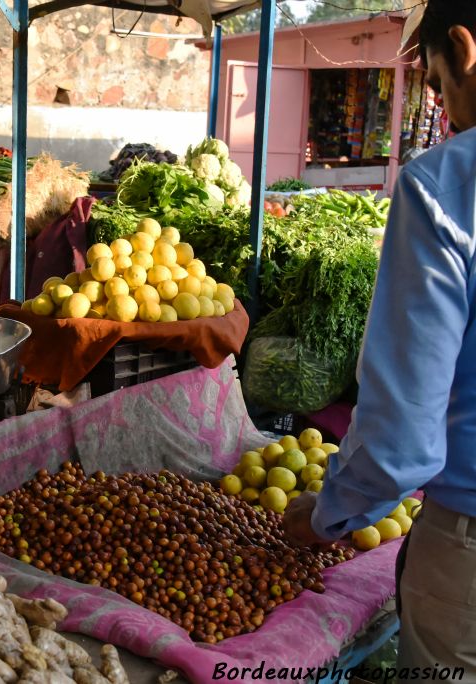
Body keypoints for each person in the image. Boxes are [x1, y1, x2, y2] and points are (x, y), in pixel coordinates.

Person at [284, 2, 476, 679]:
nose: (440, 100)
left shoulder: (448, 188)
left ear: (464, 49)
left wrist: (327, 517)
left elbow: (400, 437)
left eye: (436, 77)